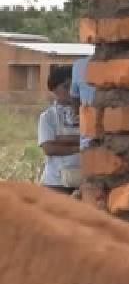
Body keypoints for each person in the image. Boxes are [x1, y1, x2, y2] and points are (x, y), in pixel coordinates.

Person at [38, 65, 82, 195]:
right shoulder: (48, 116)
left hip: (83, 180)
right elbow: (49, 148)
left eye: (74, 86)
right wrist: (81, 146)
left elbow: (96, 139)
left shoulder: (87, 114)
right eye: (66, 87)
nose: (72, 91)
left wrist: (61, 139)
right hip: (56, 182)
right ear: (54, 89)